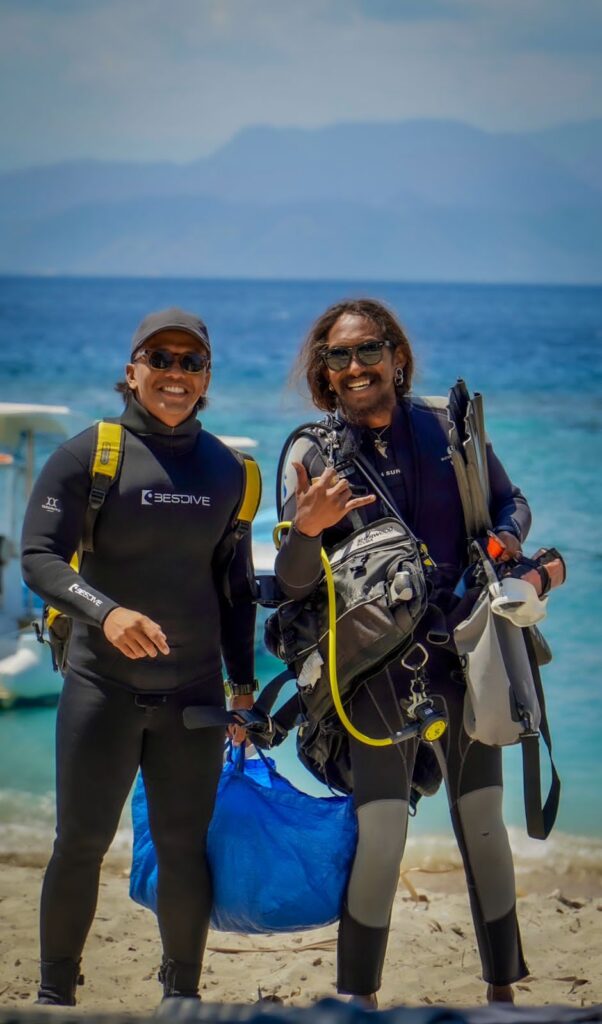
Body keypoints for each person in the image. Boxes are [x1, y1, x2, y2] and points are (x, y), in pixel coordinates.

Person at [274, 298, 531, 1008]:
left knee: (485, 825)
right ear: (325, 372)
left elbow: (511, 503)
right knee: (381, 834)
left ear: (396, 356)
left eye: (368, 350)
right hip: (374, 673)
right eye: (339, 356)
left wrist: (505, 546)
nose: (356, 366)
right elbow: (292, 584)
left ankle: (502, 993)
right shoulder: (313, 455)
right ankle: (357, 1001)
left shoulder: (446, 429)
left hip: (465, 657)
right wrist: (307, 530)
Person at [21, 307, 258, 1007]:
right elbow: (38, 557)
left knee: (184, 848)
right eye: (160, 358)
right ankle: (55, 995)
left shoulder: (232, 472)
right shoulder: (88, 455)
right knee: (80, 844)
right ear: (132, 371)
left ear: (207, 378)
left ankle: (181, 997)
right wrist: (105, 611)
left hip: (194, 695)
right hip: (102, 687)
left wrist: (243, 689)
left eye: (191, 362)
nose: (175, 373)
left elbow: (236, 588)